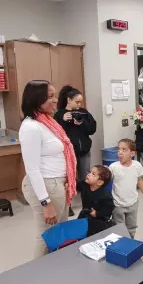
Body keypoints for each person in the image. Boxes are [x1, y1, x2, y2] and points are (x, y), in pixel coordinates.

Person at [19, 80, 77, 259]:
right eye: (50, 96)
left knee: (60, 230)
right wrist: (46, 203)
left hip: (56, 183)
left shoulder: (47, 122)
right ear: (37, 100)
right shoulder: (31, 127)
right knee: (46, 235)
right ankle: (37, 276)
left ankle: (54, 268)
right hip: (45, 185)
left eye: (55, 96)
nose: (55, 100)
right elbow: (32, 169)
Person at [54, 85, 96, 217]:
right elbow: (55, 133)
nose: (79, 105)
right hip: (67, 153)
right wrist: (63, 121)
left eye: (80, 102)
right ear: (69, 100)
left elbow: (92, 129)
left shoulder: (83, 112)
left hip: (84, 150)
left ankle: (87, 204)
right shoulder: (59, 114)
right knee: (68, 179)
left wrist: (82, 122)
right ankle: (69, 205)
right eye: (77, 102)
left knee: (86, 178)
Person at [109, 139, 143, 238]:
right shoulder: (113, 167)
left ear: (132, 153)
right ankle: (120, 245)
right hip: (117, 204)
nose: (120, 152)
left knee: (132, 226)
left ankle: (130, 244)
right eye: (118, 149)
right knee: (118, 227)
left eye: (124, 150)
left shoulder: (137, 165)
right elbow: (105, 180)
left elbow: (139, 180)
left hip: (133, 203)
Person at [77, 165, 115, 237]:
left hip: (99, 220)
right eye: (90, 172)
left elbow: (109, 209)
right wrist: (69, 184)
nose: (89, 174)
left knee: (94, 237)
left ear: (99, 182)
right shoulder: (85, 185)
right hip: (85, 215)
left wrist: (97, 213)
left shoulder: (105, 195)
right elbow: (76, 183)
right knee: (81, 233)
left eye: (93, 174)